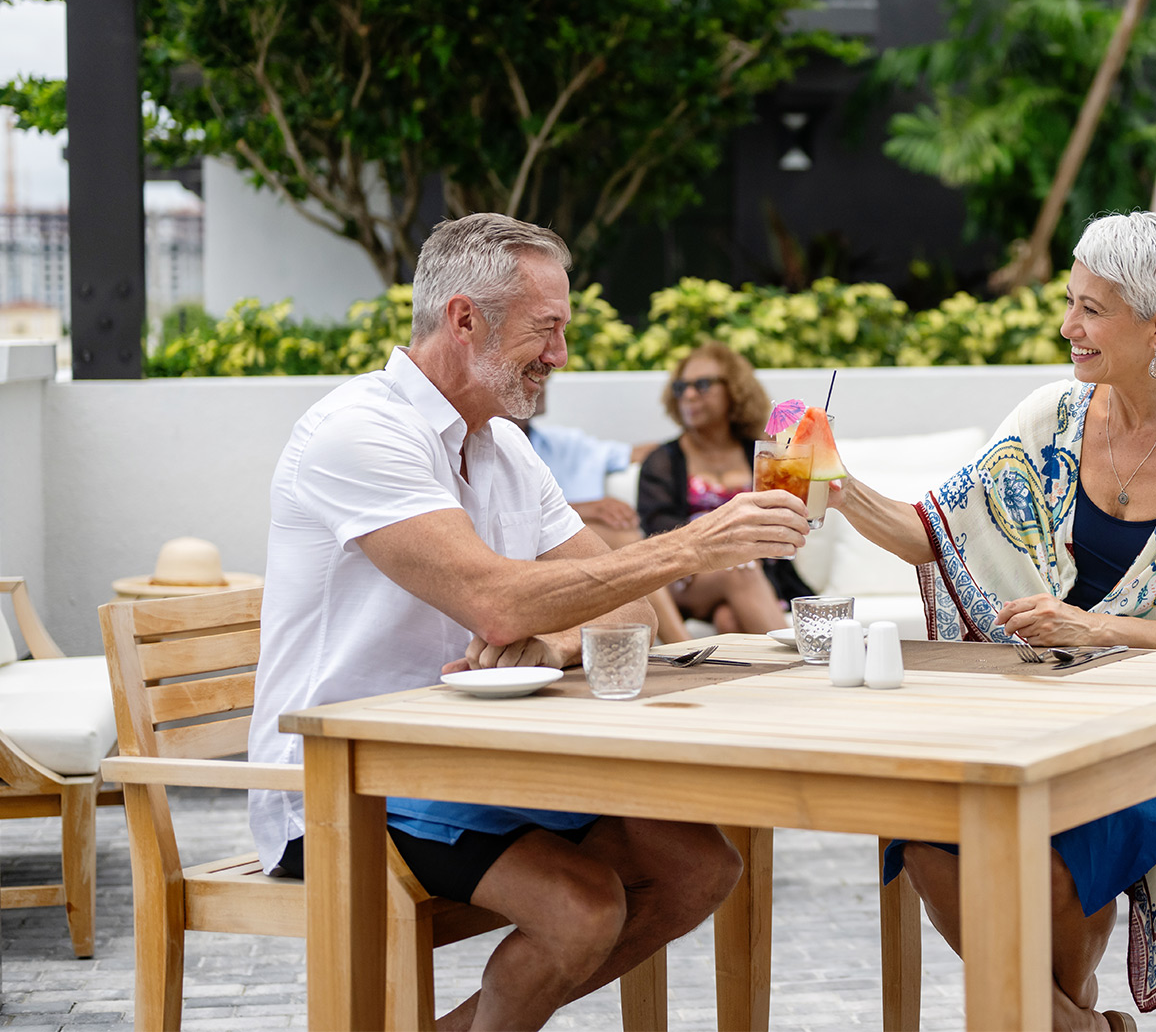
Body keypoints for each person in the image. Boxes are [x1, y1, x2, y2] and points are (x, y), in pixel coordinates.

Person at [247, 213, 810, 1031]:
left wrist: (555, 637)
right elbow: (495, 600)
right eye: (548, 329)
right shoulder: (359, 433)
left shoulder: (503, 446)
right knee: (580, 908)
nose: (562, 355)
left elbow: (621, 609)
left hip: (478, 763)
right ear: (465, 317)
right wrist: (688, 544)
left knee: (699, 868)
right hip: (348, 782)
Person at [831, 211, 1156, 1032]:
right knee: (924, 827)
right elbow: (931, 533)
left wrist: (1097, 630)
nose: (1068, 327)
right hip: (1029, 714)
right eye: (1070, 301)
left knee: (1062, 855)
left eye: (1092, 309)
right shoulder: (1051, 418)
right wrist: (832, 480)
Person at [637, 341, 810, 634]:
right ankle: (803, 670)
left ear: (734, 390)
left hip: (756, 572)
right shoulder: (663, 461)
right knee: (740, 572)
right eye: (682, 387)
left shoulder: (759, 453)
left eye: (702, 385)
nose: (689, 395)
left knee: (729, 618)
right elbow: (659, 531)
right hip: (686, 576)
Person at [512, 382, 691, 643]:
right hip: (532, 561)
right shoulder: (481, 448)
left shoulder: (565, 443)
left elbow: (644, 452)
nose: (544, 379)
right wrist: (584, 509)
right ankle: (682, 645)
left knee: (732, 601)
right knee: (621, 536)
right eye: (527, 368)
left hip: (593, 563)